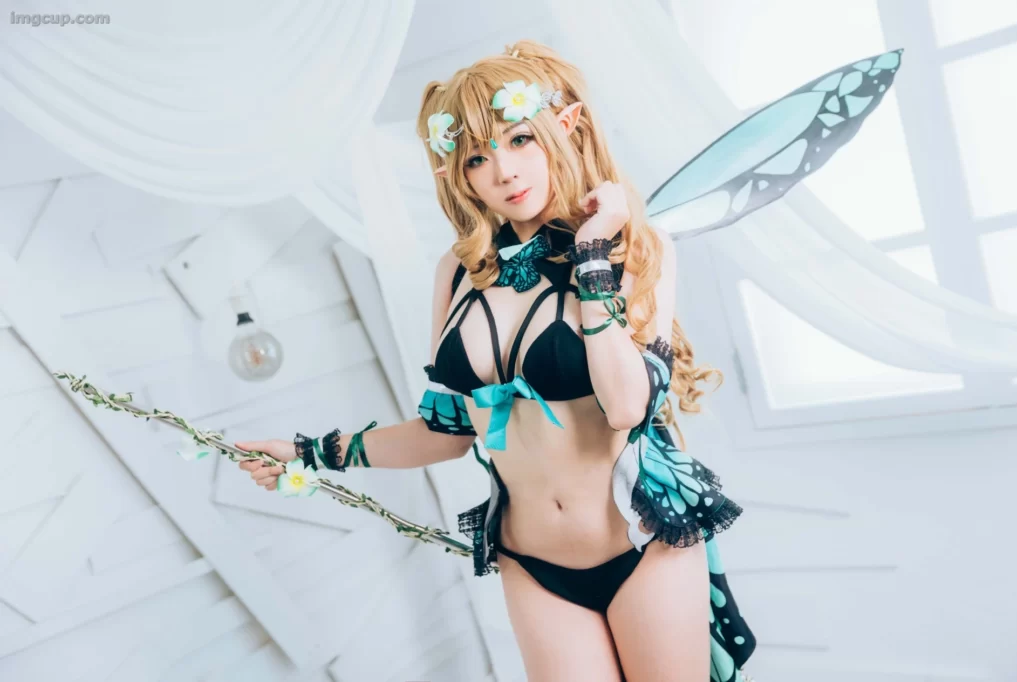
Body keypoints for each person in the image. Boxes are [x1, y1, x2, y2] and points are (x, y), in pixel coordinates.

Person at [236, 40, 755, 682]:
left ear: (562, 129)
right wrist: (310, 454)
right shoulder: (457, 274)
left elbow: (626, 406)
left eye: (519, 140)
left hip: (642, 541)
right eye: (477, 157)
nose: (503, 172)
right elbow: (446, 434)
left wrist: (591, 253)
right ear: (459, 173)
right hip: (530, 562)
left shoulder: (633, 248)